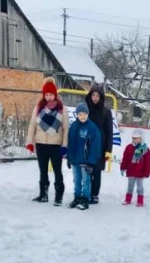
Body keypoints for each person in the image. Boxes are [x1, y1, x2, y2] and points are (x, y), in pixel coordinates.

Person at [26, 78, 69, 206]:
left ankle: (58, 196)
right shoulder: (39, 107)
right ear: (44, 95)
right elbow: (32, 125)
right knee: (43, 171)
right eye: (47, 95)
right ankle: (43, 194)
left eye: (51, 94)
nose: (49, 97)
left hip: (56, 144)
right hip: (41, 143)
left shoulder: (62, 108)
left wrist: (64, 145)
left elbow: (66, 128)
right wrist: (29, 141)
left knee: (57, 171)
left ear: (55, 94)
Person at [67, 103, 102, 211]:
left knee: (86, 181)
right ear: (77, 114)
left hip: (86, 161)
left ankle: (85, 199)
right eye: (80, 114)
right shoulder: (73, 126)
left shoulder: (92, 128)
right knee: (76, 180)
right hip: (75, 160)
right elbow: (71, 143)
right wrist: (69, 158)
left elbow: (95, 146)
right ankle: (77, 197)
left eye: (84, 114)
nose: (82, 116)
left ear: (88, 114)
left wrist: (91, 162)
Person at [85, 84, 114, 204]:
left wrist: (108, 150)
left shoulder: (106, 113)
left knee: (96, 172)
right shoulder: (85, 110)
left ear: (101, 97)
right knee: (86, 171)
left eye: (97, 95)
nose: (95, 98)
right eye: (93, 95)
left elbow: (109, 133)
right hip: (87, 146)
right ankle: (86, 193)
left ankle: (95, 194)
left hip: (100, 147)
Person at [120, 129, 150, 207]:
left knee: (140, 187)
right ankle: (127, 199)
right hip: (131, 171)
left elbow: (148, 162)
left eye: (137, 138)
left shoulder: (146, 150)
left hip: (140, 172)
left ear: (141, 138)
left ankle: (140, 201)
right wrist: (123, 167)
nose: (135, 140)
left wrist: (146, 172)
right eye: (134, 138)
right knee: (130, 186)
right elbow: (125, 158)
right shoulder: (129, 147)